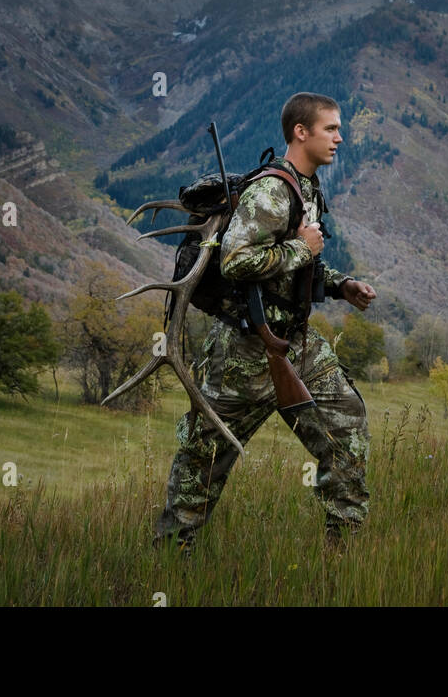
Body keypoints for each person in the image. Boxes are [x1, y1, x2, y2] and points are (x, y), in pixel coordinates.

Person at [152, 91, 377, 553]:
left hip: (295, 342)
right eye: (330, 129)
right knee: (204, 459)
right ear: (301, 132)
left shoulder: (306, 187)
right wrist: (303, 249)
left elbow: (296, 267)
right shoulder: (272, 190)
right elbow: (237, 262)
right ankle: (170, 559)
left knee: (347, 425)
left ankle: (345, 551)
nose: (340, 137)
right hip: (244, 351)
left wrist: (340, 284)